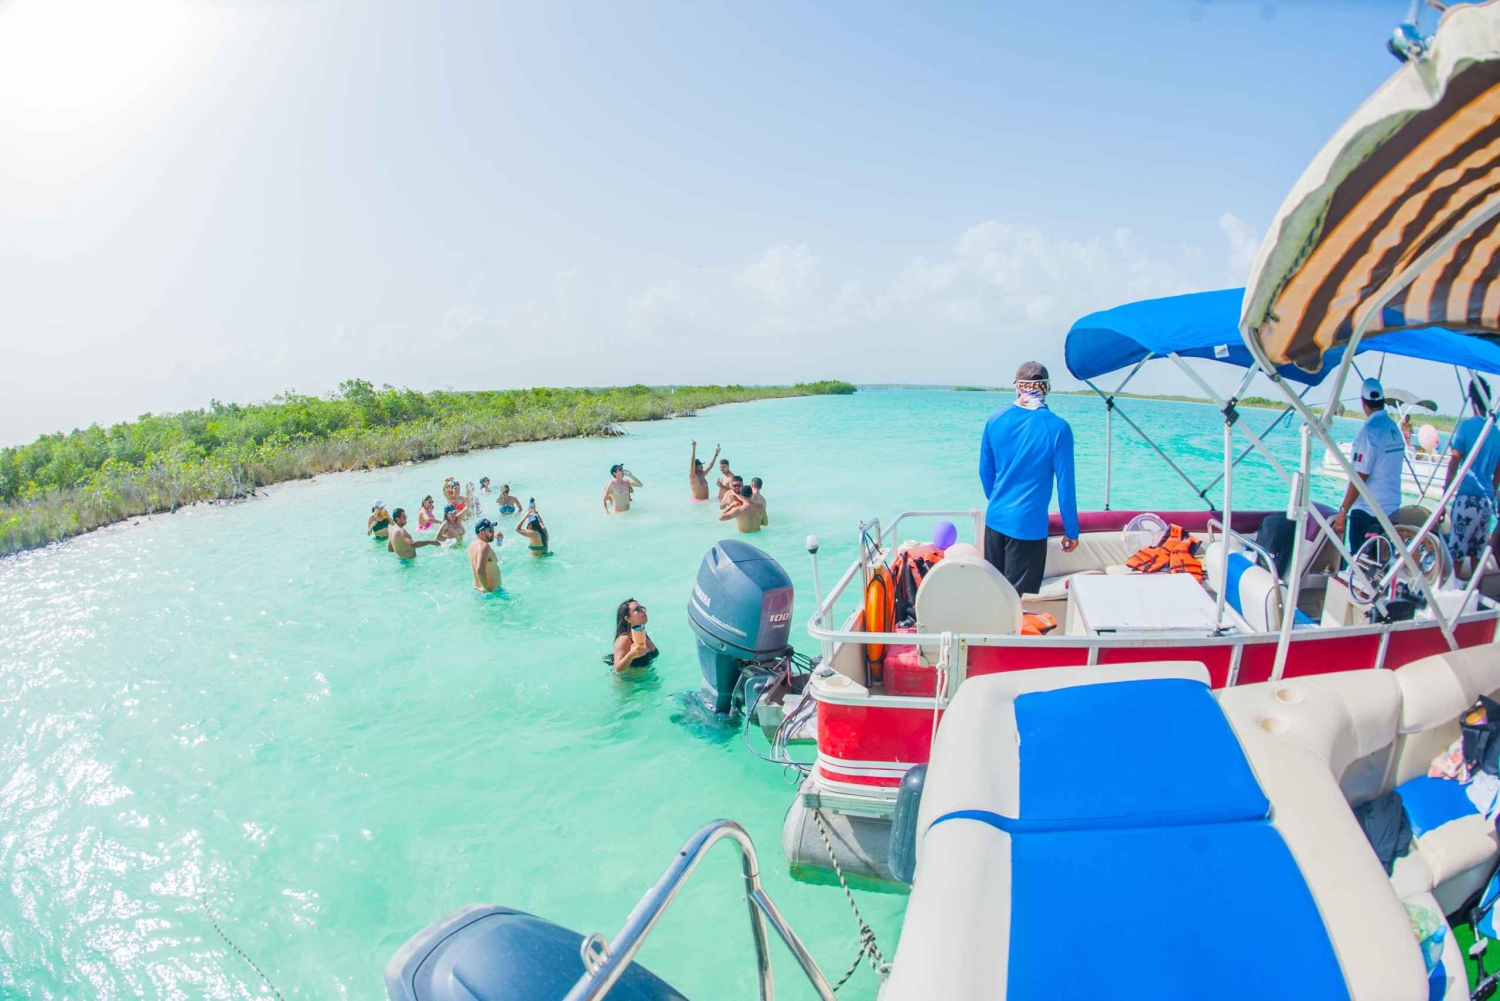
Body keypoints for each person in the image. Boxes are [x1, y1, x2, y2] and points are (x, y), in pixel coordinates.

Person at [978, 361, 1079, 595]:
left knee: (995, 596)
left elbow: (985, 473)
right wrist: (1071, 531)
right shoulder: (1059, 429)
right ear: (1047, 388)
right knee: (1019, 604)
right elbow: (1066, 489)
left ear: (1017, 387)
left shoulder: (995, 420)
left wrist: (1000, 501)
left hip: (995, 520)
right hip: (1028, 527)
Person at [1332, 378, 1405, 562]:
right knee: (1381, 564)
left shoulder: (1369, 431)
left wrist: (1343, 511)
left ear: (1363, 402)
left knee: (1362, 565)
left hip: (1368, 513)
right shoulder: (1393, 429)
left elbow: (1360, 476)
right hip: (1391, 510)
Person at [1444, 376, 1500, 578]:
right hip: (1485, 502)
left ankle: (1452, 599)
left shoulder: (1466, 428)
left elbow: (1454, 463)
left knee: (1457, 557)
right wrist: (1493, 493)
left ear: (1471, 399)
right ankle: (1473, 598)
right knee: (1477, 560)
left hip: (1466, 499)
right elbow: (1498, 471)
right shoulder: (1495, 433)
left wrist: (1444, 498)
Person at [610, 599, 658, 671]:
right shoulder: (624, 639)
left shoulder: (641, 633)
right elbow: (617, 669)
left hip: (648, 680)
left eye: (642, 608)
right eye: (638, 609)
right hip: (630, 681)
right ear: (628, 618)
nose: (643, 611)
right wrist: (631, 655)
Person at [468, 518, 502, 592]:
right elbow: (480, 570)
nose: (493, 532)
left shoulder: (472, 544)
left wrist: (493, 535)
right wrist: (488, 591)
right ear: (482, 533)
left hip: (478, 590)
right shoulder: (484, 547)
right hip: (491, 592)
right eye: (490, 530)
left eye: (493, 529)